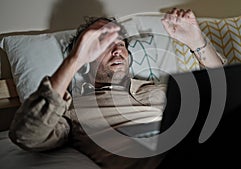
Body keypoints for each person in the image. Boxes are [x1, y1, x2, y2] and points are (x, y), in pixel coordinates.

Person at [8, 8, 226, 169]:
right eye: (103, 44)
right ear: (86, 58)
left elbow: (221, 94)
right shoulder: (74, 110)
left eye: (121, 44)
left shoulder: (163, 87)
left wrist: (196, 42)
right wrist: (74, 59)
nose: (117, 50)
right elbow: (26, 135)